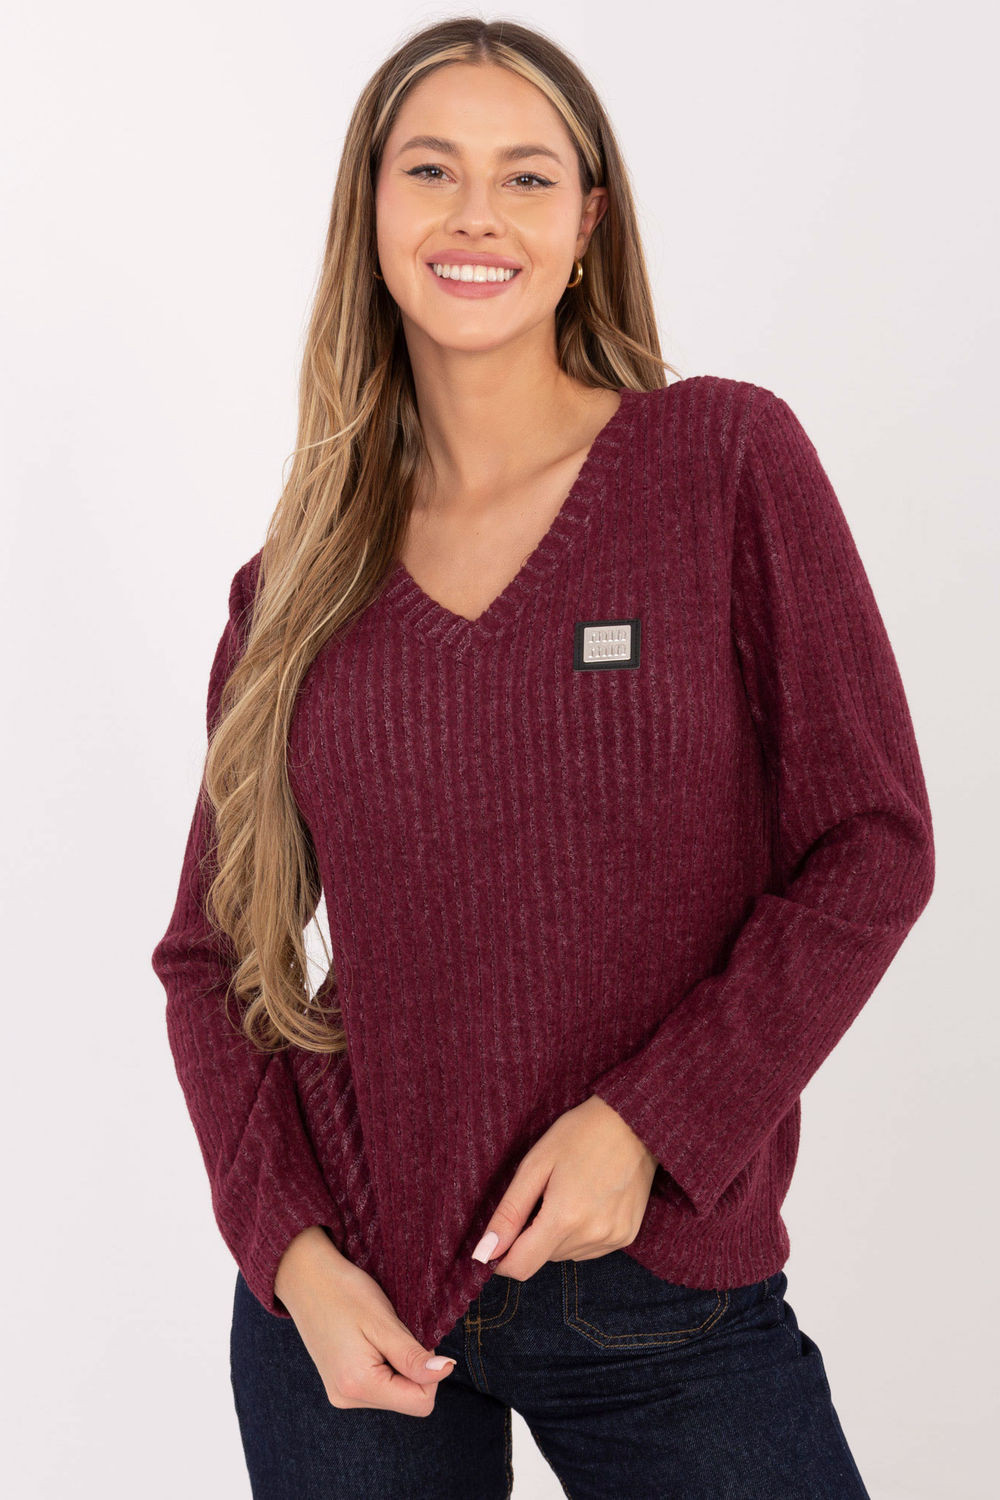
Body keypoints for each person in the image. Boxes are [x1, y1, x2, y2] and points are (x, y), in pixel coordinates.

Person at [150, 16, 935, 1499]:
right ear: (370, 215)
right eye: (430, 170)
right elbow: (211, 955)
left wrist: (652, 1122)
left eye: (525, 177)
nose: (476, 215)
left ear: (586, 225)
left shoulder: (720, 463)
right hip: (352, 1305)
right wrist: (291, 1256)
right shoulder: (296, 585)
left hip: (665, 1298)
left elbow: (874, 845)